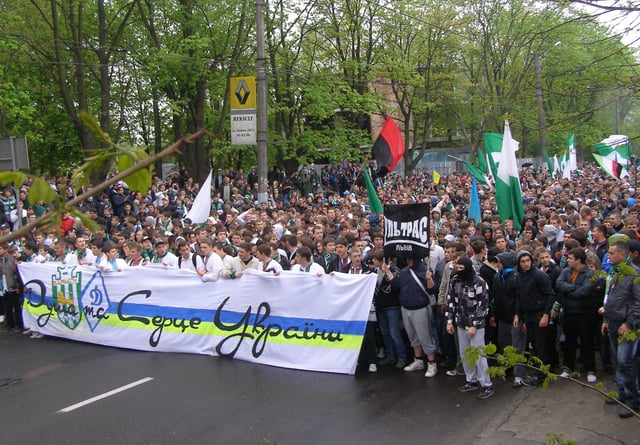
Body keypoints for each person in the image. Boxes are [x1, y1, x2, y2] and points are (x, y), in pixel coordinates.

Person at [601, 240, 640, 418]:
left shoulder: (634, 275)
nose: (608, 256)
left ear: (622, 255)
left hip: (627, 327)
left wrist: (630, 323)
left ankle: (633, 401)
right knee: (619, 361)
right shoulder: (616, 272)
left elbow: (637, 303)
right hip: (614, 323)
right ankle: (622, 393)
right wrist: (607, 318)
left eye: (611, 254)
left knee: (626, 362)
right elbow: (613, 297)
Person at [446, 256, 494, 399]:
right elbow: (451, 301)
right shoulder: (455, 280)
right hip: (460, 321)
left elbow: (483, 306)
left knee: (479, 355)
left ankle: (486, 384)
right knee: (465, 353)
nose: (459, 271)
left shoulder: (479, 282)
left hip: (475, 325)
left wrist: (475, 325)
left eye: (462, 268)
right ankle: (471, 380)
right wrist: (449, 321)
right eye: (457, 268)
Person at [384, 256, 438, 378]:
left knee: (425, 336)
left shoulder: (425, 270)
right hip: (406, 307)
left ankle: (431, 363)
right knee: (412, 336)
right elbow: (397, 285)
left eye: (409, 257)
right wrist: (387, 272)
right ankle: (418, 360)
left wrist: (429, 279)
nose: (407, 259)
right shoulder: (404, 272)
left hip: (421, 308)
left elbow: (432, 290)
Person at [513, 250, 555, 386]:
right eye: (523, 262)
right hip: (528, 314)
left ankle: (542, 373)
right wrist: (518, 315)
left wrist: (546, 314)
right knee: (534, 345)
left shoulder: (539, 275)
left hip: (539, 313)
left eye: (528, 261)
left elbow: (550, 294)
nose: (526, 264)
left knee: (540, 344)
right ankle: (538, 370)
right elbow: (519, 297)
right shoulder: (519, 277)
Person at [554, 248, 597, 382]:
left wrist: (568, 291)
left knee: (586, 341)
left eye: (570, 258)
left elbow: (585, 291)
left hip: (584, 313)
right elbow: (559, 284)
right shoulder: (566, 271)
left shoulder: (589, 273)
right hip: (569, 313)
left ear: (578, 260)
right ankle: (568, 367)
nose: (567, 260)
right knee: (569, 342)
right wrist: (574, 290)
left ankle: (590, 368)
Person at [0, 243, 23, 332]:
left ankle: (19, 325)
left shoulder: (12, 260)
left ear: (5, 250)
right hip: (4, 286)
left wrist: (17, 286)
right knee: (7, 306)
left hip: (12, 286)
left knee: (16, 307)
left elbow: (16, 275)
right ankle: (10, 325)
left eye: (0, 248)